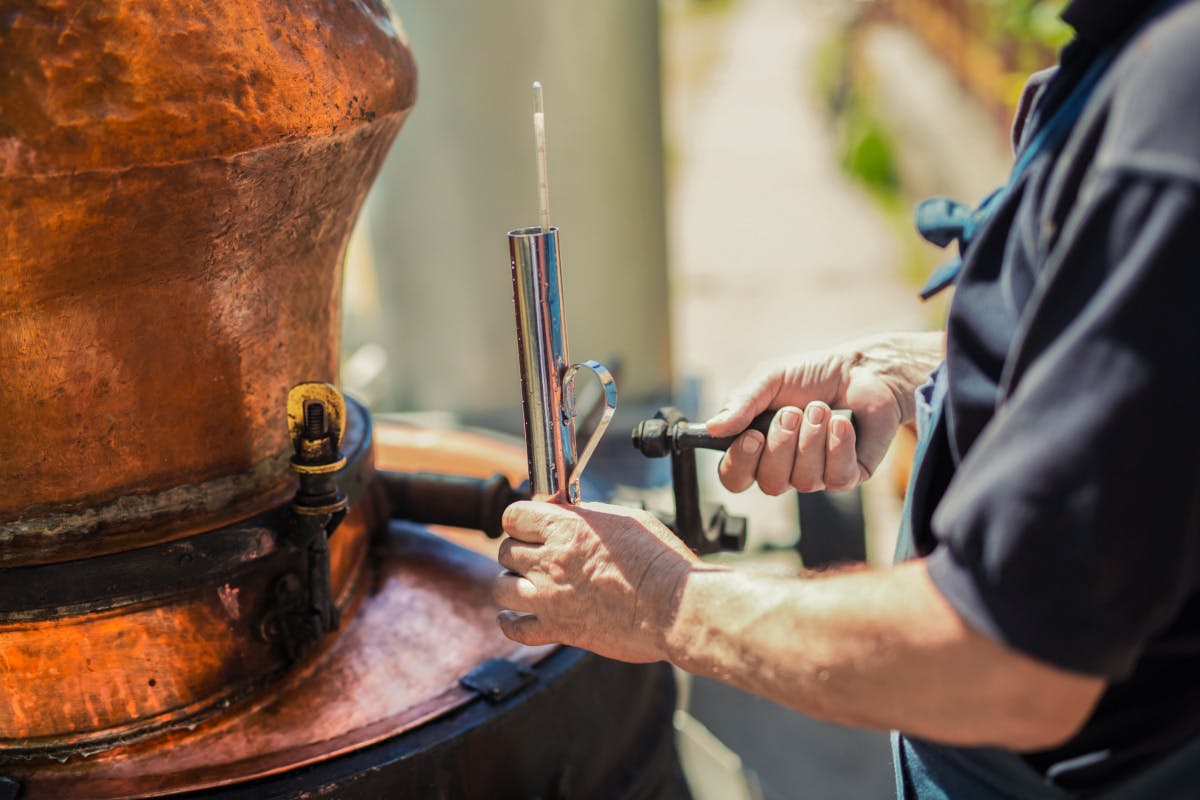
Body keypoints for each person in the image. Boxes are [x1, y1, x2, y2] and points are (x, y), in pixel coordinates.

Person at [492, 1, 1200, 796]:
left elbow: (1006, 661)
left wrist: (662, 601)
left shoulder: (1172, 110)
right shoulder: (1115, 55)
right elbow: (1146, 383)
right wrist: (916, 370)